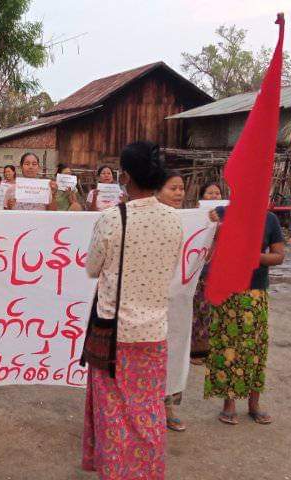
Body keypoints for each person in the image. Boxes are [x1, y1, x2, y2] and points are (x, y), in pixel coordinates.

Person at [82, 141, 182, 479]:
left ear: (125, 176)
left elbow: (92, 268)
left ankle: (115, 471)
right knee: (150, 408)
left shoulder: (113, 219)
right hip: (154, 331)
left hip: (112, 332)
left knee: (112, 412)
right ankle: (148, 472)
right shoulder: (174, 220)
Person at [205, 201, 286, 426]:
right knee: (228, 345)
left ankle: (254, 404)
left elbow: (279, 256)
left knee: (255, 348)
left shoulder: (269, 219)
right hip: (227, 290)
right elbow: (207, 249)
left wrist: (253, 257)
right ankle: (228, 404)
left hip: (255, 292)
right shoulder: (222, 214)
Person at [155, 169, 189, 432]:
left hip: (177, 299)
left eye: (181, 188)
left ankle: (167, 406)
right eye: (172, 188)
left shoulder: (195, 220)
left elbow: (203, 257)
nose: (178, 193)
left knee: (174, 347)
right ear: (158, 191)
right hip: (148, 298)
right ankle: (149, 407)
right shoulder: (148, 218)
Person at [189, 181, 224, 366]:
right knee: (199, 310)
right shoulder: (197, 217)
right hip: (199, 270)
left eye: (217, 194)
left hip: (220, 271)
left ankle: (215, 349)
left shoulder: (228, 217)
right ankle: (196, 350)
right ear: (202, 198)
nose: (213, 196)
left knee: (216, 311)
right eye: (209, 193)